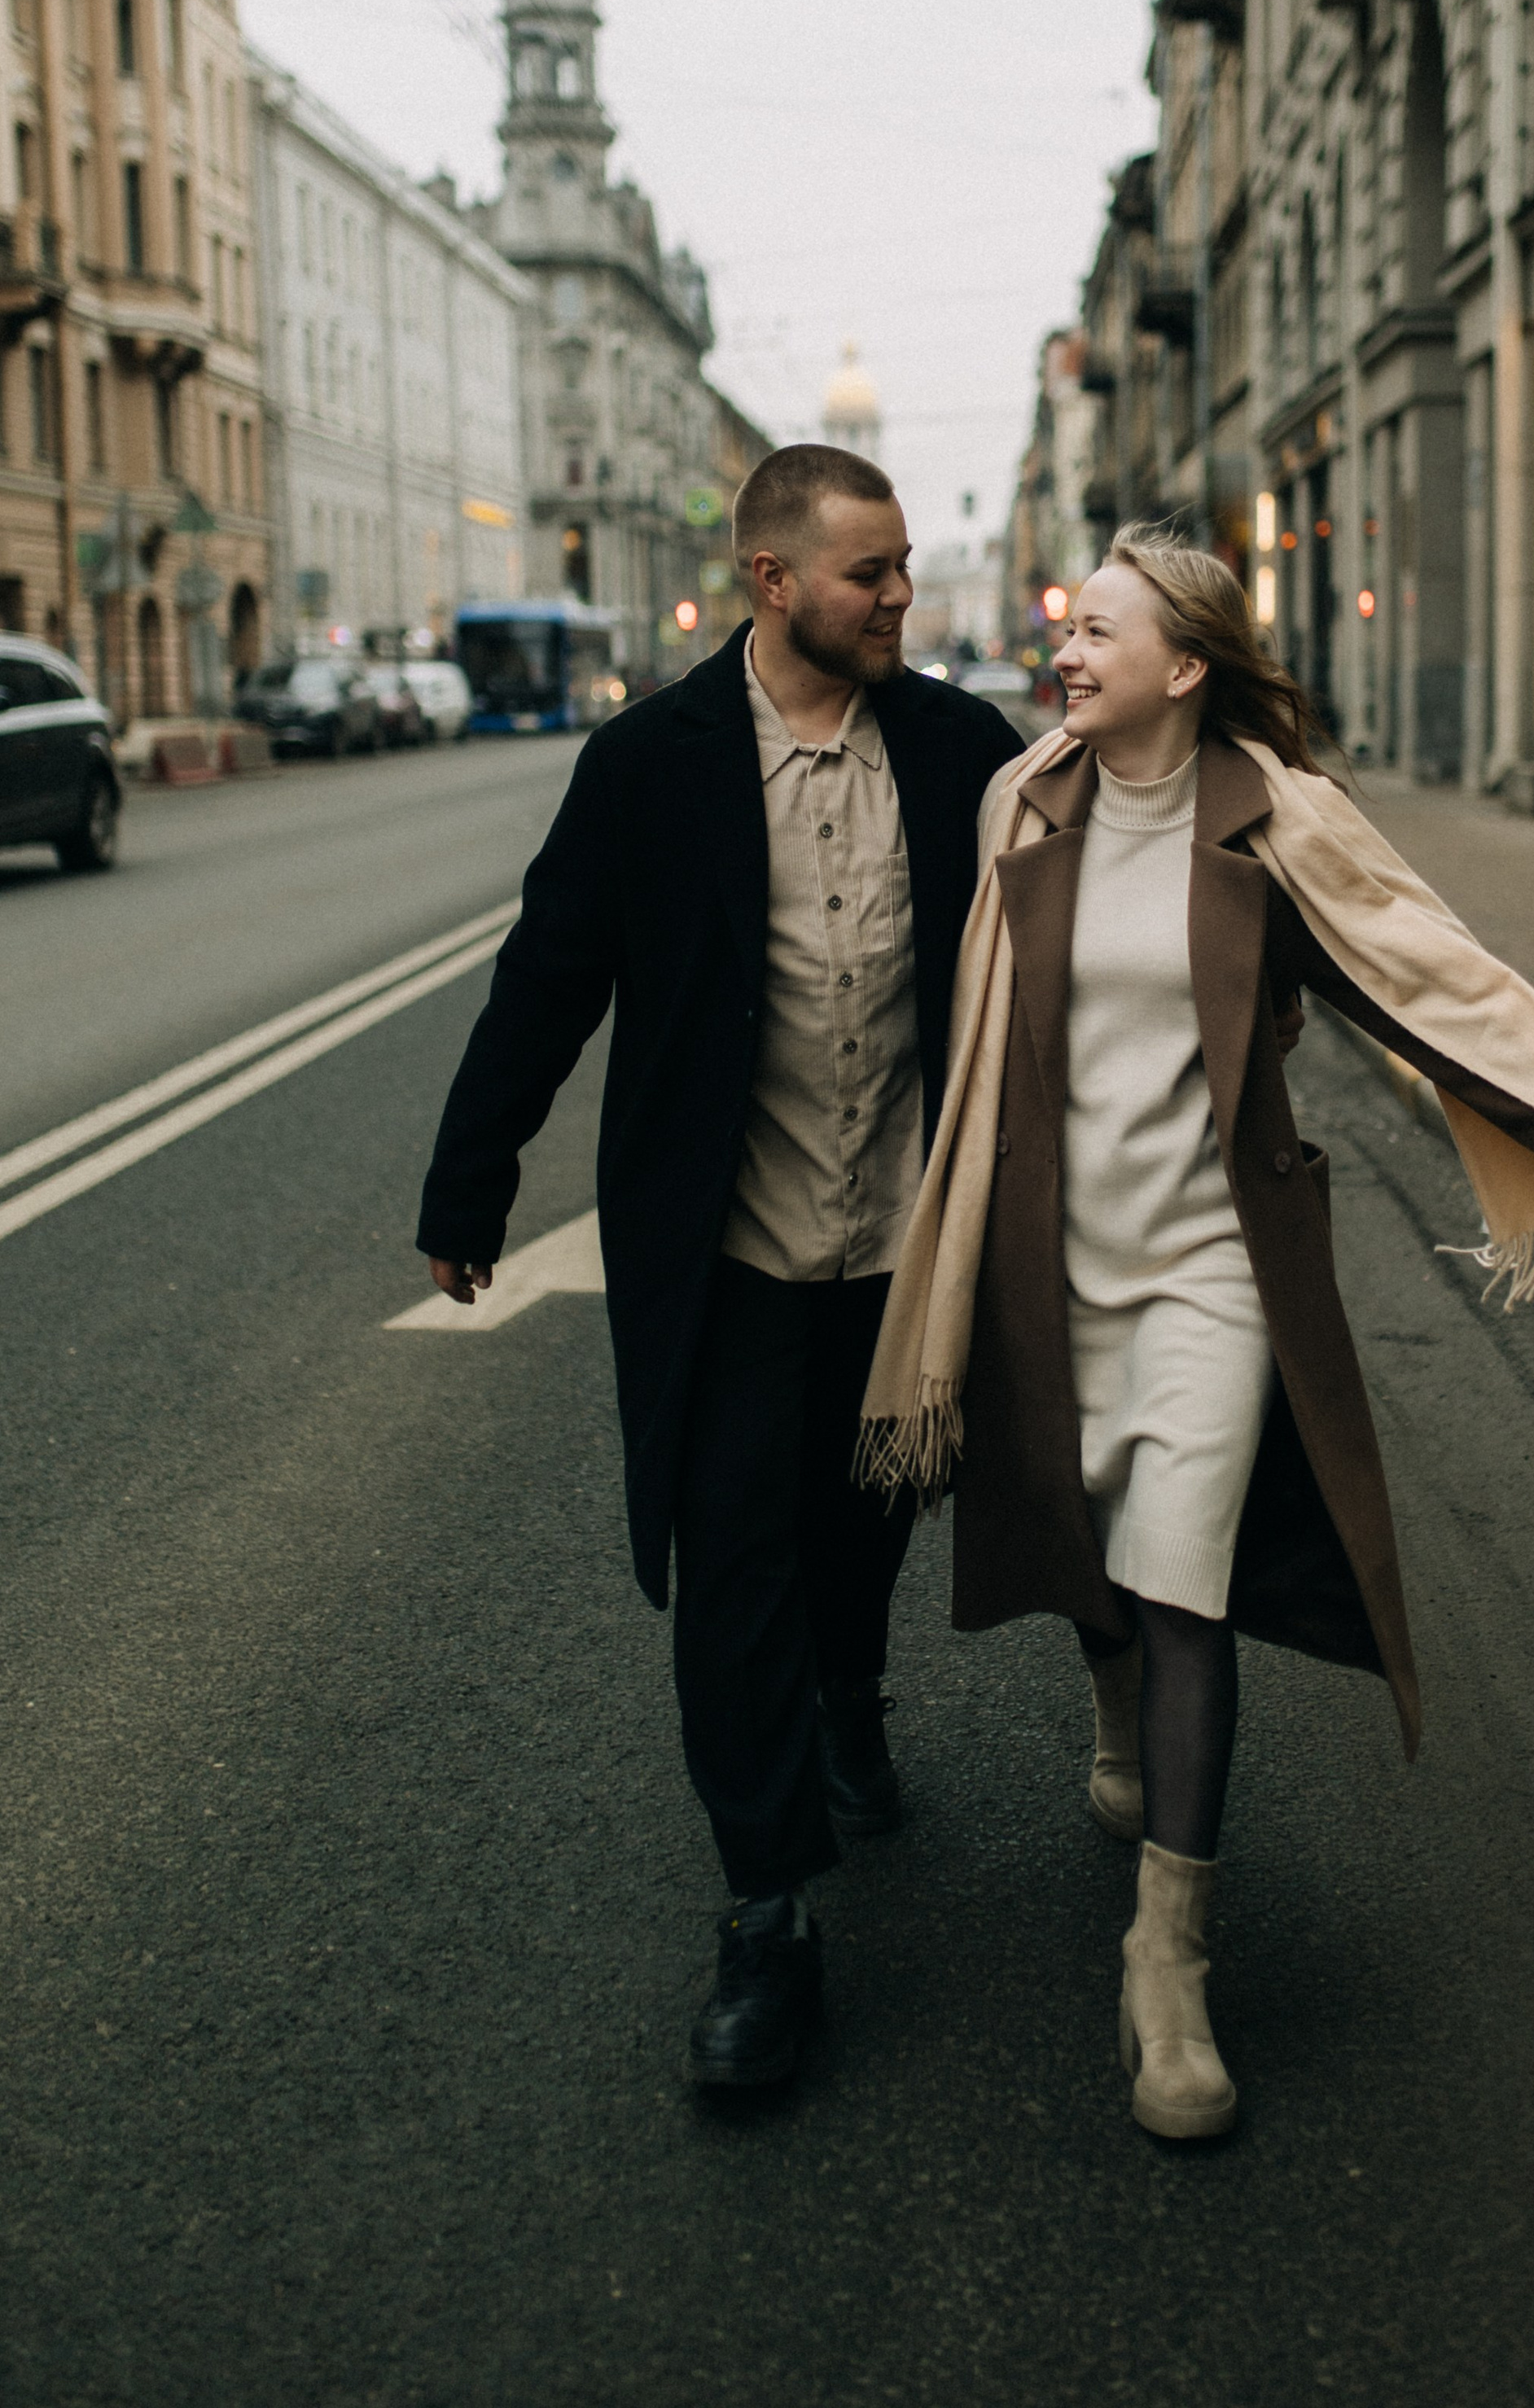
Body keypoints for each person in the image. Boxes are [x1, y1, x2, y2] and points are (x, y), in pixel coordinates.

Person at [857, 525, 1534, 2142]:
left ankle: (1167, 1952)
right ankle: (1105, 1699)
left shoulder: (1276, 820)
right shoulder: (1022, 802)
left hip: (1214, 1266)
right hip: (1049, 1252)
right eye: (1064, 629)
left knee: (1185, 1584)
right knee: (1085, 1536)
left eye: (1097, 634)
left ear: (1186, 666)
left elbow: (1434, 987)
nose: (1066, 654)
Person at [414, 445, 1023, 2090]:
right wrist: (470, 1182)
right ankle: (766, 1920)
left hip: (903, 1247)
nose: (901, 593)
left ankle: (851, 1682)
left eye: (904, 566)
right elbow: (547, 977)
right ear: (774, 584)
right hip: (734, 1254)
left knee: (863, 1510)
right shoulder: (651, 766)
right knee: (732, 1550)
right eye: (869, 572)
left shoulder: (965, 750)